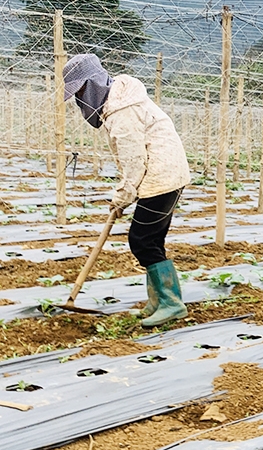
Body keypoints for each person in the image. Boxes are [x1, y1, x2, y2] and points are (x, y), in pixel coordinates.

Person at [62, 53, 192, 327]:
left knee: (142, 240)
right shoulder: (119, 102)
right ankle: (158, 302)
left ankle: (171, 303)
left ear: (94, 83)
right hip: (163, 174)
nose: (80, 99)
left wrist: (121, 197)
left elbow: (134, 163)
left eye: (82, 90)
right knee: (152, 240)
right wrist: (124, 194)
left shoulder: (123, 112)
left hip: (161, 177)